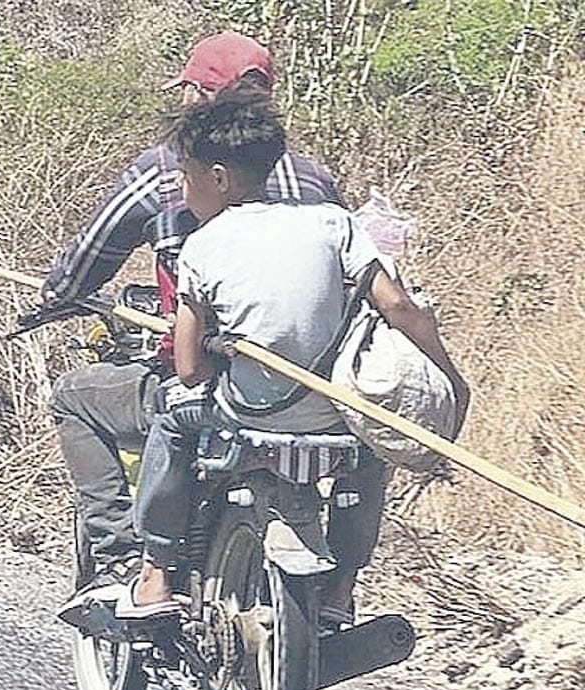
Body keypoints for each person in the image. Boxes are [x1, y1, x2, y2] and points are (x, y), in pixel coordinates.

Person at [112, 87, 470, 620]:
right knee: (371, 451)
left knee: (170, 417)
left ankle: (157, 574)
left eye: (186, 177)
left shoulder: (204, 245)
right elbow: (399, 306)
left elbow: (188, 368)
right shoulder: (332, 222)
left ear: (217, 177)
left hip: (245, 412)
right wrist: (449, 376)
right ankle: (342, 588)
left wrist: (219, 353)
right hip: (336, 413)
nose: (185, 191)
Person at [49, 33, 349, 617]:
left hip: (215, 381)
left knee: (80, 400)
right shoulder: (315, 184)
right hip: (313, 388)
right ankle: (340, 588)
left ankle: (126, 559)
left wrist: (58, 297)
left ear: (198, 95)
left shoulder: (168, 175)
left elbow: (89, 263)